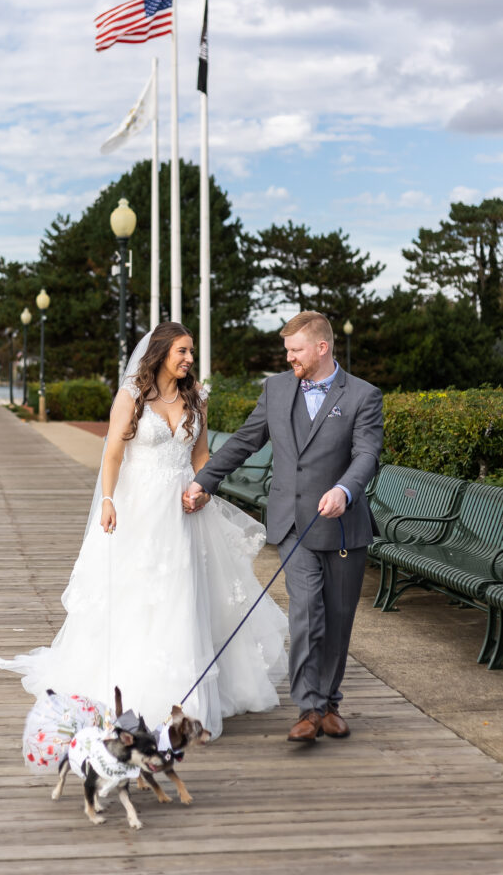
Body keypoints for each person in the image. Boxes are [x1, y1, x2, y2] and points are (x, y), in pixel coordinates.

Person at [0, 323, 287, 740]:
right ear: (162, 351)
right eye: (182, 351)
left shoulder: (197, 398)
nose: (189, 359)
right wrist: (109, 500)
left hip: (185, 509)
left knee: (184, 593)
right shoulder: (132, 395)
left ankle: (187, 697)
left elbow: (201, 455)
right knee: (139, 593)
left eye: (191, 352)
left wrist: (203, 489)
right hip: (139, 510)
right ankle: (133, 687)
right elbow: (112, 453)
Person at [185, 311, 383, 743]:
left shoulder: (364, 396)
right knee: (306, 610)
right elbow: (244, 440)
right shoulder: (276, 388)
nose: (288, 357)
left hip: (344, 526)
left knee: (338, 618)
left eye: (295, 350)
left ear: (321, 348)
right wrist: (204, 481)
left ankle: (330, 701)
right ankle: (309, 709)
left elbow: (367, 454)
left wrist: (345, 490)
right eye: (287, 350)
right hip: (293, 524)